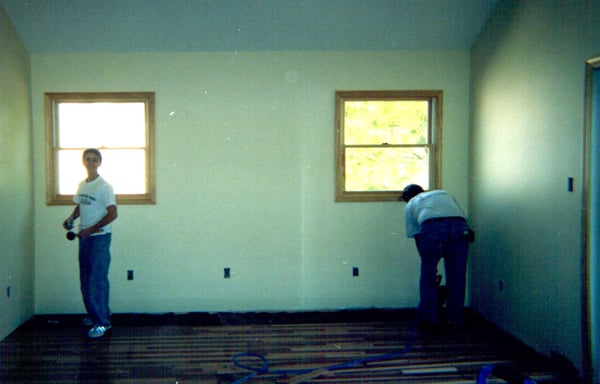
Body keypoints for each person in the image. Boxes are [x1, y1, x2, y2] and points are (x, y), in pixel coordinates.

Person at [63, 148, 118, 338]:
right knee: (85, 279)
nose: (91, 162)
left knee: (97, 280)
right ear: (83, 162)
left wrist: (91, 230)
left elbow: (113, 213)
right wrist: (71, 218)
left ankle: (103, 322)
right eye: (88, 159)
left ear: (99, 163)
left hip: (99, 238)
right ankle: (95, 314)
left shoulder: (105, 187)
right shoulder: (82, 185)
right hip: (84, 237)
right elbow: (81, 205)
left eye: (95, 159)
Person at [400, 184, 470, 329]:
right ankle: (456, 320)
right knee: (457, 275)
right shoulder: (442, 193)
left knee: (428, 276)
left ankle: (430, 320)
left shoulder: (411, 205)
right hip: (460, 226)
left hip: (432, 227)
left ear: (407, 198)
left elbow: (418, 238)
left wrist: (428, 262)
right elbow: (457, 215)